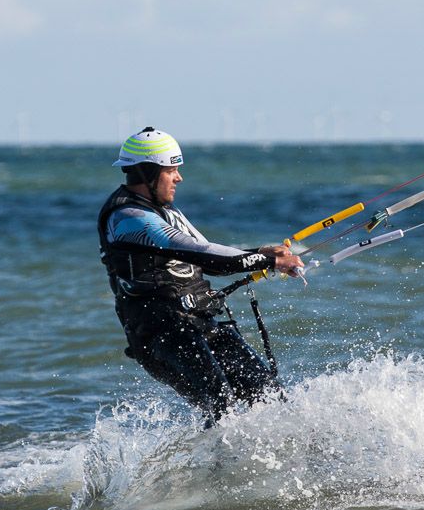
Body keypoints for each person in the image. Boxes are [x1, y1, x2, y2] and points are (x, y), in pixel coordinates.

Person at [98, 127, 303, 426]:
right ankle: (215, 470)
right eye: (171, 171)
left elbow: (210, 259)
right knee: (222, 407)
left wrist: (261, 252)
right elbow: (204, 254)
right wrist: (268, 261)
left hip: (198, 323)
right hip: (159, 335)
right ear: (148, 173)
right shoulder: (129, 218)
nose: (178, 178)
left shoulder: (167, 212)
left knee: (270, 397)